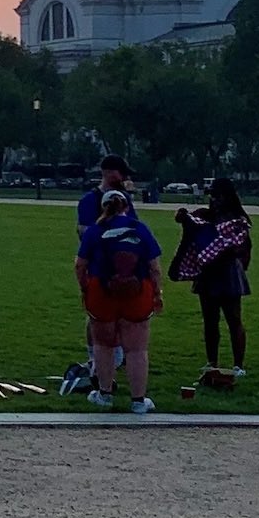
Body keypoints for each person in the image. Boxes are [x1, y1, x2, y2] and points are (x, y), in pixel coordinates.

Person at [76, 188, 164, 414]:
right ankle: (138, 400)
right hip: (137, 293)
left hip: (102, 293)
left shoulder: (94, 231)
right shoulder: (141, 229)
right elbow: (154, 268)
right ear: (126, 206)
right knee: (137, 350)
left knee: (103, 346)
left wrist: (85, 288)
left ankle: (104, 394)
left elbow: (80, 265)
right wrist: (156, 293)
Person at [176, 177, 252, 374]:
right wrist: (184, 217)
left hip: (228, 272)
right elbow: (189, 222)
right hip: (209, 272)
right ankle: (212, 362)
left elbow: (243, 247)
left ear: (229, 196)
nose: (215, 199)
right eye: (213, 195)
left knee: (233, 319)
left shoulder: (236, 219)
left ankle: (238, 365)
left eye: (219, 196)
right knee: (210, 321)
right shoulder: (206, 216)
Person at [76, 155, 137, 376]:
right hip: (99, 266)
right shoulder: (90, 200)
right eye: (121, 173)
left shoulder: (125, 199)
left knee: (121, 309)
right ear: (109, 173)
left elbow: (134, 227)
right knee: (96, 312)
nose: (124, 178)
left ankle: (117, 350)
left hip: (123, 267)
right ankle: (95, 354)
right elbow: (83, 232)